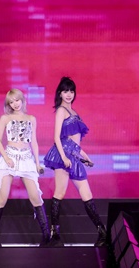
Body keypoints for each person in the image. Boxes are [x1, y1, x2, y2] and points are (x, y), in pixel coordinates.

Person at [43, 76, 107, 247]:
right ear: (60, 93)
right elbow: (57, 137)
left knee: (87, 195)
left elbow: (75, 144)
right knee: (60, 193)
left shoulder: (75, 113)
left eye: (71, 91)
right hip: (62, 156)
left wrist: (86, 157)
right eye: (65, 91)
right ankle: (55, 235)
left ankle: (102, 234)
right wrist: (64, 157)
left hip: (74, 156)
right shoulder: (61, 110)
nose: (69, 94)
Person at [0, 89, 50, 247]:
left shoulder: (31, 119)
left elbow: (34, 142)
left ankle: (47, 237)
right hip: (9, 156)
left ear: (22, 100)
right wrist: (6, 158)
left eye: (17, 100)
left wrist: (37, 163)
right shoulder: (5, 118)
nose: (15, 104)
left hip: (26, 158)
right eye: (11, 102)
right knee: (2, 197)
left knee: (35, 197)